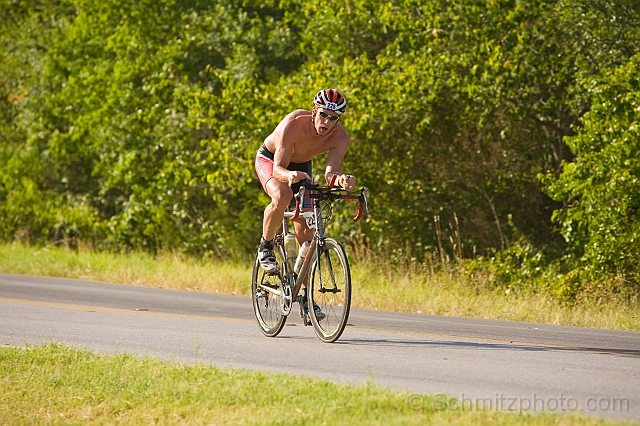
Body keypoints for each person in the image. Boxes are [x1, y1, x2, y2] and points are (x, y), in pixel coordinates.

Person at [254, 88, 356, 322]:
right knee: (282, 195)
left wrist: (342, 180)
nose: (327, 122)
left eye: (334, 118)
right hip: (271, 160)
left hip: (301, 168)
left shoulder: (340, 137)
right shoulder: (294, 124)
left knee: (307, 237)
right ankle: (266, 246)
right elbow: (279, 168)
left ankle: (304, 297)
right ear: (313, 112)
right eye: (323, 114)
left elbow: (332, 173)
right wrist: (287, 176)